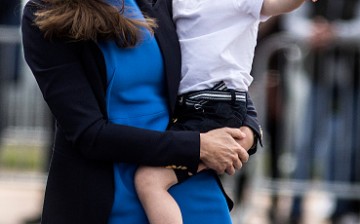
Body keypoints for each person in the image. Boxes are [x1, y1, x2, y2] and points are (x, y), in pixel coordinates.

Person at [21, 0, 262, 223]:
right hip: (102, 197)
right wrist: (198, 146)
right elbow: (88, 134)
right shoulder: (42, 14)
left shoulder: (160, 2)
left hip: (181, 182)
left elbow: (218, 79)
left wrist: (246, 132)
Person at [133, 0, 319, 224]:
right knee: (156, 180)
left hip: (216, 105)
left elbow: (276, 4)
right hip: (189, 106)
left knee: (149, 180)